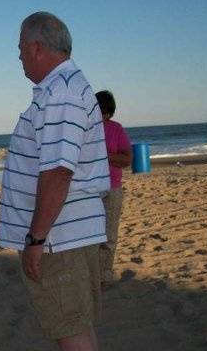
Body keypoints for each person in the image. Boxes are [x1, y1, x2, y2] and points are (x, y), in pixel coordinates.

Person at [0, 12, 110, 351]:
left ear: (37, 47)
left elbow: (59, 172)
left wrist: (36, 239)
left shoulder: (61, 93)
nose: (17, 55)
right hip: (65, 235)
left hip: (59, 239)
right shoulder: (62, 89)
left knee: (71, 330)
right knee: (76, 325)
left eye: (20, 48)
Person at [95, 90, 132, 287]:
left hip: (111, 188)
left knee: (108, 237)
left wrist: (104, 156)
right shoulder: (83, 129)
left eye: (100, 110)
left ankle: (104, 277)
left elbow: (127, 159)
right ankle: (90, 276)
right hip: (88, 189)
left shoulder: (116, 129)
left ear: (107, 113)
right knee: (87, 237)